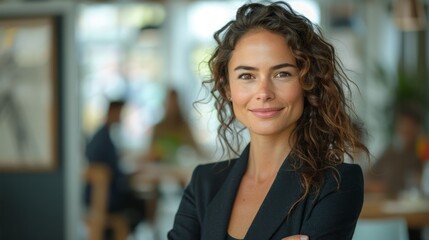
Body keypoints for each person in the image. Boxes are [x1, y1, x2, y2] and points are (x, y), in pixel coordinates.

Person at [168, 2, 369, 240]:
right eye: (247, 76)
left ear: (307, 82)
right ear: (227, 88)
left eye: (282, 74)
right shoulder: (204, 183)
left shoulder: (336, 184)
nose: (264, 92)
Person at [84, 100, 146, 237]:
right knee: (141, 203)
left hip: (101, 192)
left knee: (140, 198)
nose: (121, 117)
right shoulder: (103, 139)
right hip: (104, 195)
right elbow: (111, 173)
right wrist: (130, 175)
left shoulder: (103, 135)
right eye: (119, 113)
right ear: (112, 112)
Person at [365, 101, 424, 199]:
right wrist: (376, 187)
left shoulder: (422, 153)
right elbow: (367, 179)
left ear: (418, 127)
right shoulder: (391, 152)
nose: (406, 129)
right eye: (403, 124)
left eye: (411, 125)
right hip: (386, 206)